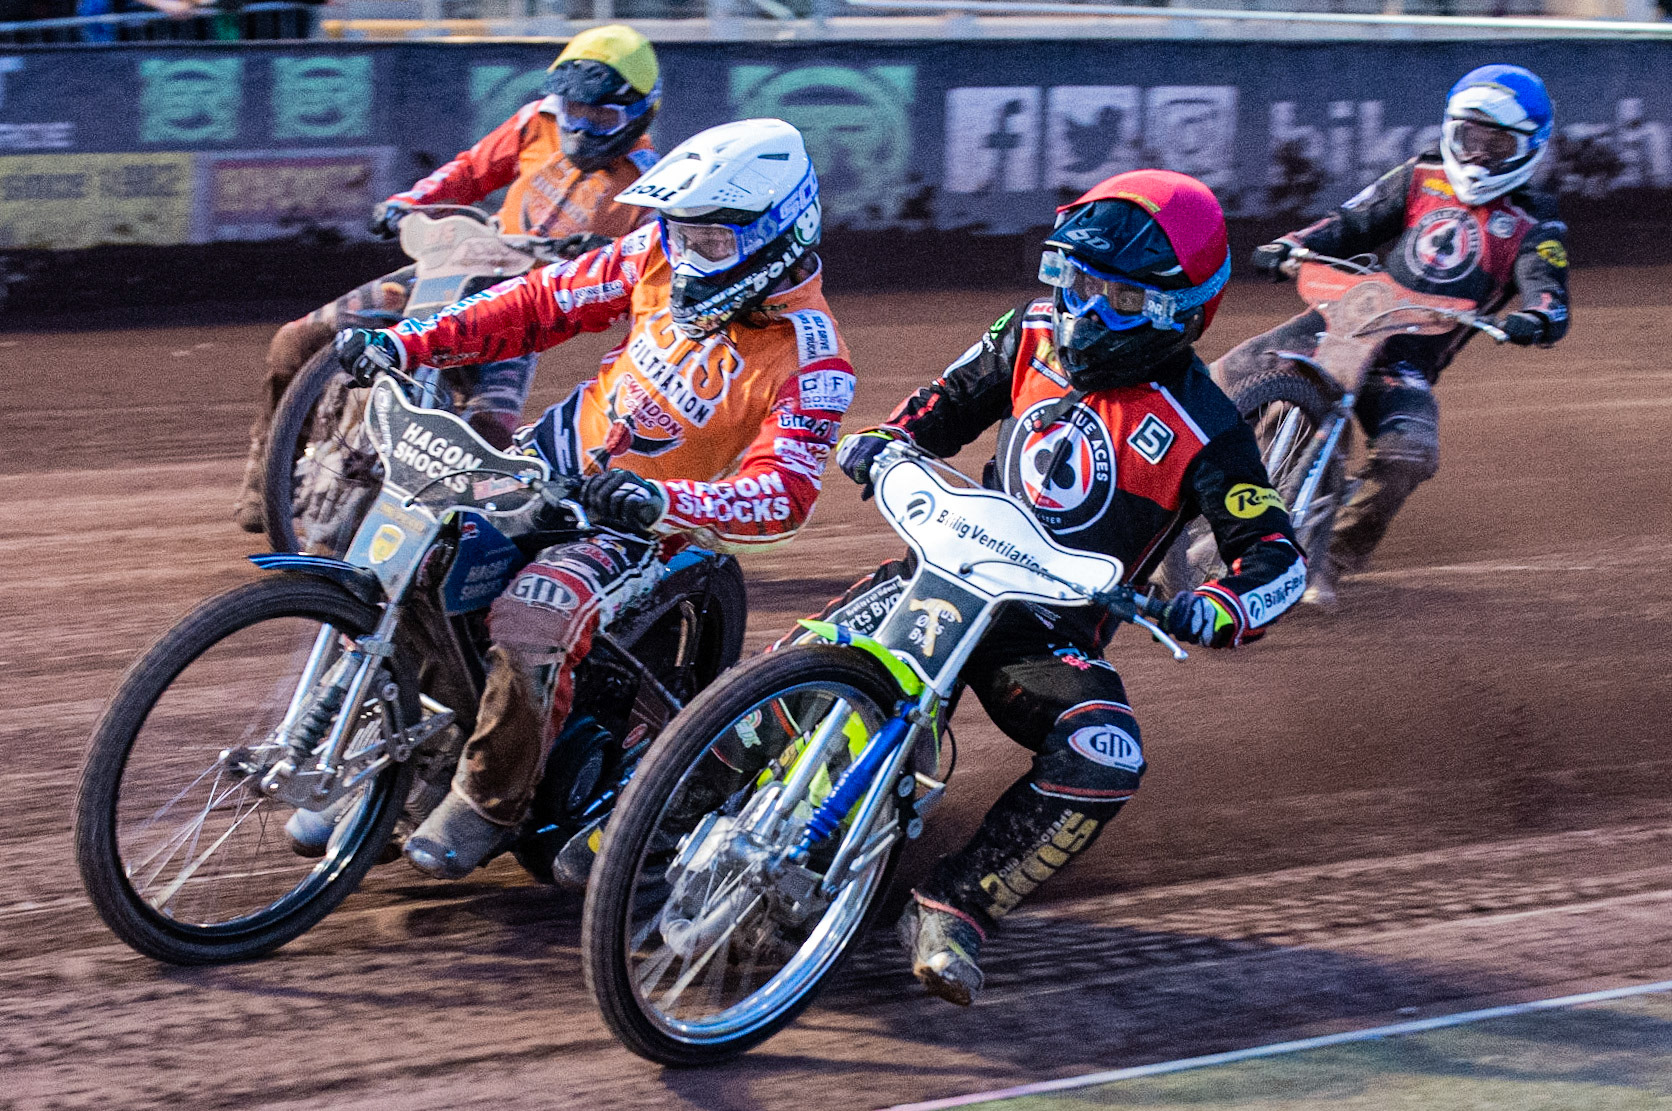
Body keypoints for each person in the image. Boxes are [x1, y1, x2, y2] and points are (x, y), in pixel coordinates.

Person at [827, 169, 1307, 1006]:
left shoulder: (1210, 427)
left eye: (1120, 298)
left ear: (1183, 312)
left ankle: (955, 904)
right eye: (1079, 284)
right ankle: (666, 802)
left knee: (1103, 750)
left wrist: (1220, 606)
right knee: (798, 664)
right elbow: (942, 404)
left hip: (1044, 636)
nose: (1087, 313)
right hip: (942, 573)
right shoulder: (1032, 330)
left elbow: (1277, 556)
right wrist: (885, 439)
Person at [332, 118, 855, 880]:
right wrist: (413, 340)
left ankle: (486, 801)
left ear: (780, 232)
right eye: (678, 232)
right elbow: (539, 304)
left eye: (710, 240)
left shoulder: (812, 357)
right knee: (420, 556)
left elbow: (783, 492)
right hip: (543, 464)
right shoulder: (652, 254)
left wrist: (657, 500)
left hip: (650, 526)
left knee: (535, 611)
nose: (685, 253)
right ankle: (400, 751)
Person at [232, 24, 665, 531]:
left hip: (519, 313)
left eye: (601, 116)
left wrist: (601, 256)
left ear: (638, 115)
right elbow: (470, 172)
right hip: (453, 265)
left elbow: (642, 275)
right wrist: (407, 203)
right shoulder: (536, 122)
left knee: (490, 433)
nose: (583, 128)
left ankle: (477, 544)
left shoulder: (647, 187)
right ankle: (265, 482)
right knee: (295, 340)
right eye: (574, 110)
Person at [1217, 64, 1570, 603]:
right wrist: (1291, 244)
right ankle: (1163, 493)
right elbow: (1349, 222)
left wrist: (1539, 317)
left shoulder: (1534, 222)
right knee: (1231, 372)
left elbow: (1547, 288)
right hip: (1344, 319)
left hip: (1403, 361)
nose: (1477, 155)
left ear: (1529, 149)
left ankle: (1332, 556)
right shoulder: (1419, 176)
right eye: (1468, 138)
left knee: (1411, 452)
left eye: (1495, 145)